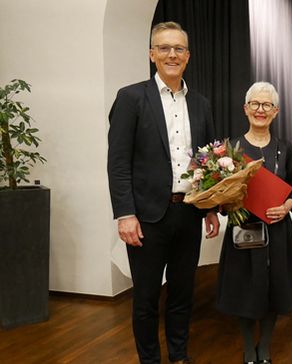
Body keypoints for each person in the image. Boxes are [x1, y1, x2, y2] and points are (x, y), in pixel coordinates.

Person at [107, 21, 220, 364]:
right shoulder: (130, 98)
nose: (172, 54)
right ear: (152, 54)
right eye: (165, 48)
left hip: (188, 212)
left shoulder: (201, 103)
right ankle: (149, 360)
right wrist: (125, 214)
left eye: (179, 49)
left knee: (183, 294)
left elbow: (208, 161)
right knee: (145, 299)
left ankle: (179, 355)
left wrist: (211, 206)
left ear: (188, 56)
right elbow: (118, 162)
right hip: (146, 217)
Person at [216, 82, 292, 364]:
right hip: (244, 231)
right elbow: (220, 195)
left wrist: (287, 206)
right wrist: (228, 202)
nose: (260, 110)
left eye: (267, 105)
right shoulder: (230, 151)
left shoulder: (285, 148)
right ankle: (247, 347)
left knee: (273, 288)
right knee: (245, 289)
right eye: (255, 104)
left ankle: (264, 345)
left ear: (276, 111)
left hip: (278, 230)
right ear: (245, 109)